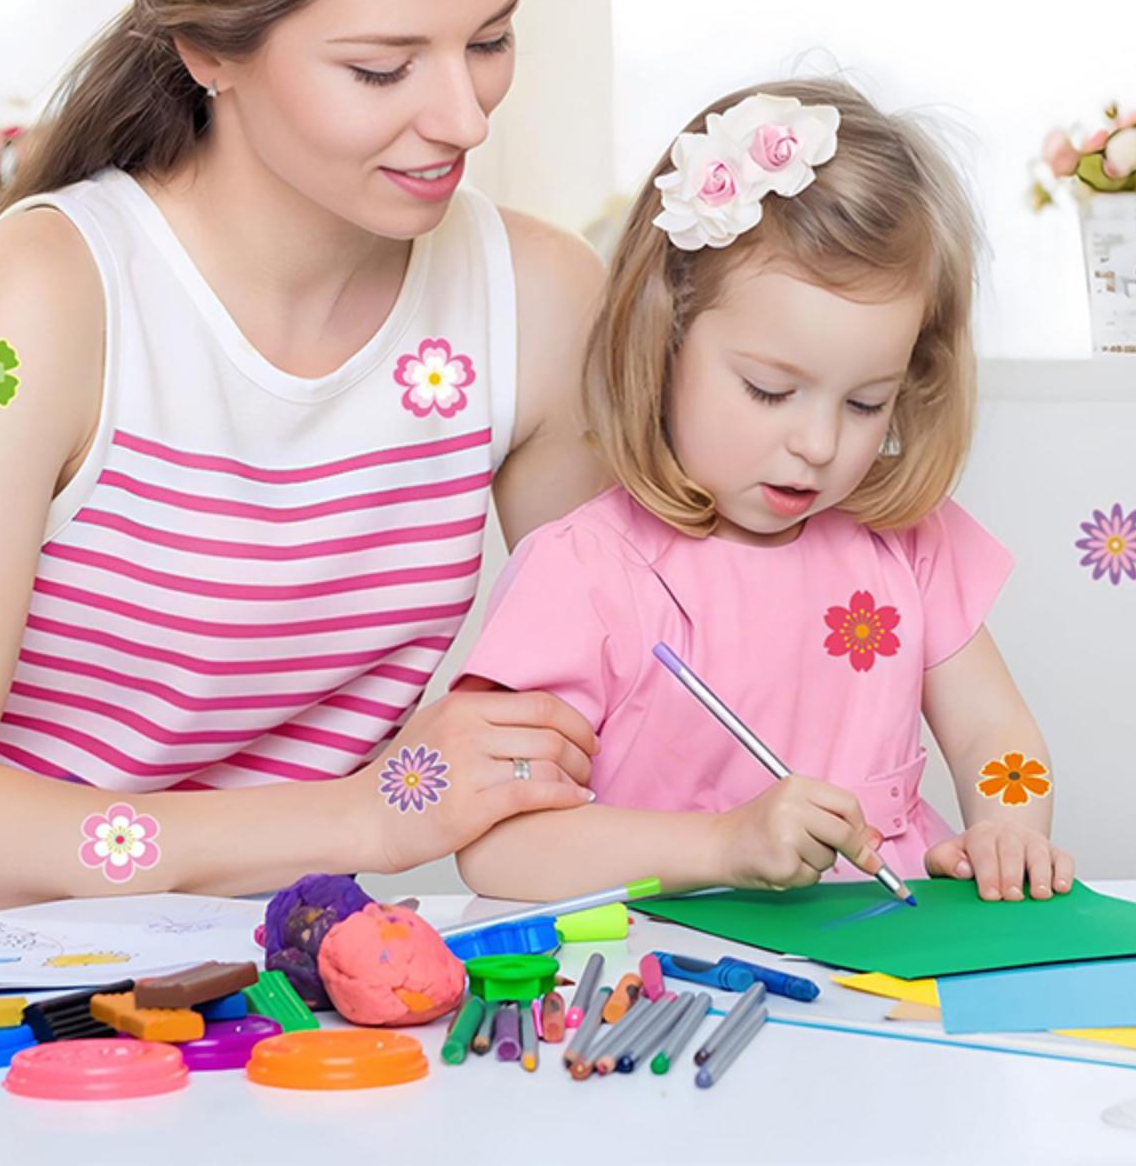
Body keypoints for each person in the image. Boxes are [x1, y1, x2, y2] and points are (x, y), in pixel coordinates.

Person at [0, 0, 611, 907]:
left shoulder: (535, 302)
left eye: (489, 41)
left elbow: (630, 695)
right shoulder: (28, 309)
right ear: (205, 45)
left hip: (310, 985)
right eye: (381, 68)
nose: (464, 117)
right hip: (10, 993)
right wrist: (362, 813)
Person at [454, 81, 1074, 903]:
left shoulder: (909, 543)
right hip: (671, 965)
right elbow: (499, 846)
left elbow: (999, 737)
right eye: (769, 391)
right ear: (664, 337)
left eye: (866, 404)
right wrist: (724, 844)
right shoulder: (582, 574)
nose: (818, 445)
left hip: (890, 950)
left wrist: (1009, 825)